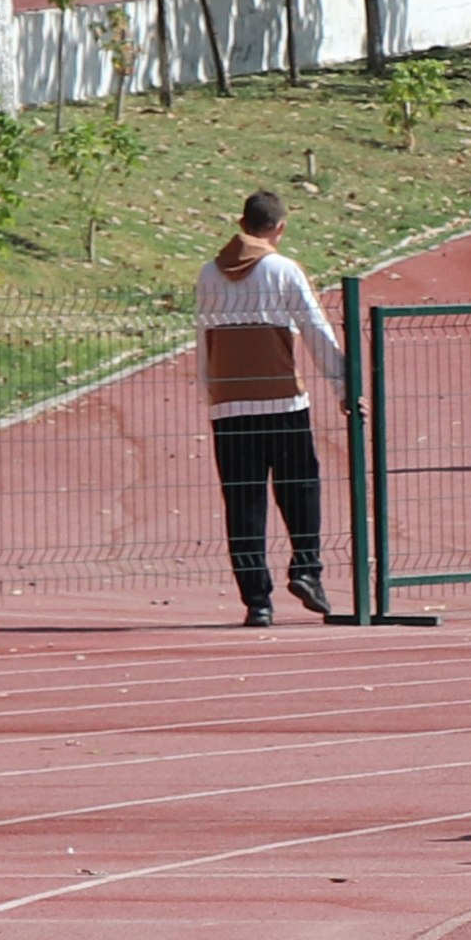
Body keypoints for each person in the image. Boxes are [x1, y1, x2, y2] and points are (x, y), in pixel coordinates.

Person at [196, 191, 345, 629]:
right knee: (300, 487)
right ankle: (306, 568)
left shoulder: (208, 274)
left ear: (241, 222)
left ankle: (257, 602)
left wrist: (210, 394)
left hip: (230, 404)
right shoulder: (283, 270)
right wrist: (343, 385)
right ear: (279, 228)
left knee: (243, 502)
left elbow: (203, 336)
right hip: (282, 400)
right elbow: (315, 329)